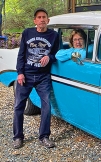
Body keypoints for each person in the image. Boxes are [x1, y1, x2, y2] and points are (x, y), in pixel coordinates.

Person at [13, 8, 59, 149]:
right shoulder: (27, 33)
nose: (42, 19)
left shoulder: (54, 35)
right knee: (18, 106)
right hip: (26, 74)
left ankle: (44, 136)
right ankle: (18, 137)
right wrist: (20, 72)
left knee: (46, 105)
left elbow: (57, 54)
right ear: (35, 21)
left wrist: (49, 57)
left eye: (44, 17)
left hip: (43, 76)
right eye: (39, 17)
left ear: (48, 20)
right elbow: (21, 54)